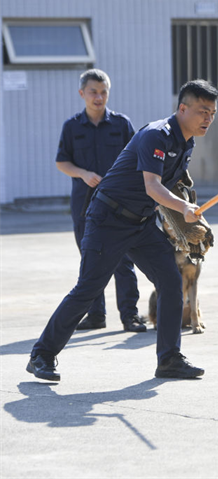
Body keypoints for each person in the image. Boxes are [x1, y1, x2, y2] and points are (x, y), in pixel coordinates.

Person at [27, 79, 218, 381]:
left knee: (170, 281)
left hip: (141, 224)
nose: (208, 118)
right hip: (108, 219)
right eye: (202, 111)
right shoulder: (157, 135)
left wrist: (186, 214)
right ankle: (42, 355)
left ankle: (169, 358)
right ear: (182, 109)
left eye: (212, 113)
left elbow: (172, 188)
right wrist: (183, 209)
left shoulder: (187, 143)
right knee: (88, 289)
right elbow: (152, 186)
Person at [55, 69, 146, 333]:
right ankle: (96, 316)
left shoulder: (121, 124)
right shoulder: (72, 127)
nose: (99, 97)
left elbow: (137, 159)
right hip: (84, 205)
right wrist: (83, 173)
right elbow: (62, 161)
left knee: (123, 260)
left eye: (103, 92)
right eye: (93, 92)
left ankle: (130, 315)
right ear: (82, 93)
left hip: (119, 204)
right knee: (91, 259)